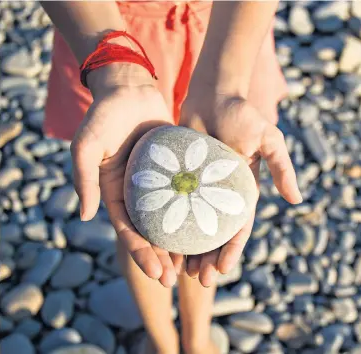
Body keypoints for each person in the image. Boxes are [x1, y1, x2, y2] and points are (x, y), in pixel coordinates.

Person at [40, 1, 302, 353]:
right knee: (142, 226)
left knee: (203, 238)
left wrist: (225, 84)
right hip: (104, 27)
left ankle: (196, 337)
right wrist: (119, 75)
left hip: (233, 31)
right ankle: (162, 340)